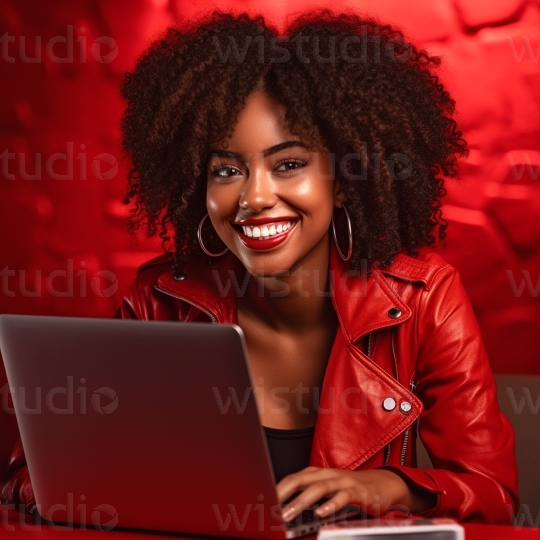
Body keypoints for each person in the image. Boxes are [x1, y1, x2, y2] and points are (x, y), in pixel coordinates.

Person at [2, 9, 518, 525]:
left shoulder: (423, 299)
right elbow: (32, 478)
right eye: (226, 170)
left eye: (288, 164)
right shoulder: (159, 300)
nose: (253, 197)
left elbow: (493, 495)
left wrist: (389, 487)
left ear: (343, 180)